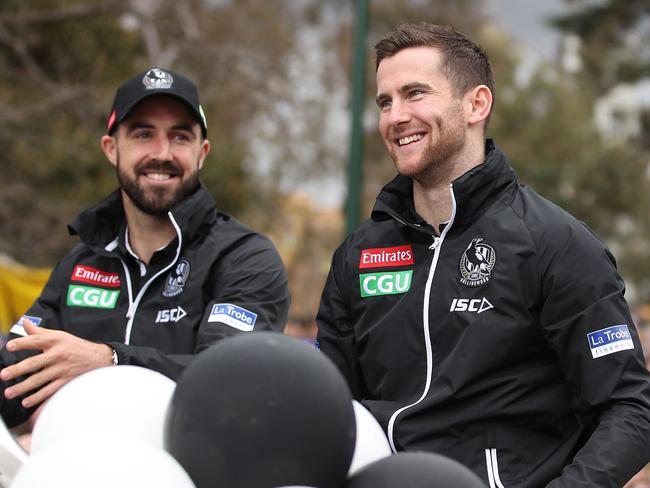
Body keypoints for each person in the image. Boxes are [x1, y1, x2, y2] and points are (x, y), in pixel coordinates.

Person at [316, 23, 650, 488]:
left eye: (415, 93)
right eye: (385, 102)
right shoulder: (358, 254)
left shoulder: (556, 243)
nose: (395, 117)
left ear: (476, 104)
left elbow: (628, 407)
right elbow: (329, 406)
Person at [0, 67, 290, 428]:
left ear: (202, 153)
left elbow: (228, 378)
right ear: (111, 148)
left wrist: (110, 360)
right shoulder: (78, 264)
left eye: (180, 136)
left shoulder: (245, 257)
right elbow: (15, 375)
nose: (162, 153)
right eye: (143, 134)